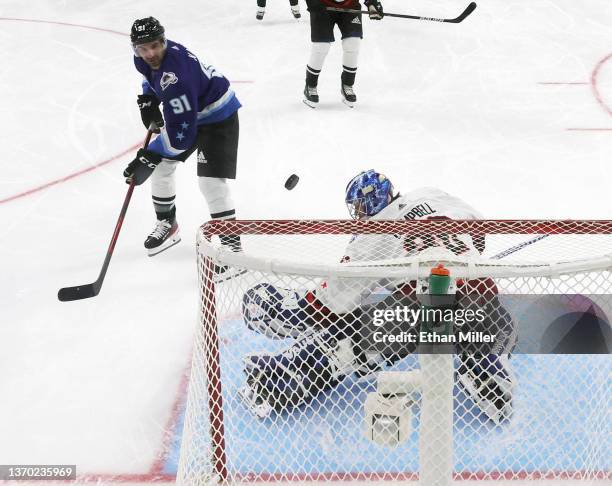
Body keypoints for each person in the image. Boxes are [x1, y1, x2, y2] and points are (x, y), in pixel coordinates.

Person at [239, 170, 516, 424]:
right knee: (496, 323)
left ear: (371, 202)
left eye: (359, 207)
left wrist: (298, 310)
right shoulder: (429, 193)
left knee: (345, 337)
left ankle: (281, 378)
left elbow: (335, 300)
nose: (358, 214)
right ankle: (486, 362)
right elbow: (478, 228)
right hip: (478, 292)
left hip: (417, 308)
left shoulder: (373, 231)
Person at [123, 17, 242, 257]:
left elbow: (181, 139)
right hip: (191, 109)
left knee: (210, 183)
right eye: (142, 48)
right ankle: (168, 224)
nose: (149, 53)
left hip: (218, 116)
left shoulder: (177, 79)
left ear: (163, 42)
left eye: (154, 46)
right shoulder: (145, 57)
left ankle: (232, 248)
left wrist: (151, 154)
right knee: (161, 167)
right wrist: (149, 98)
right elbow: (149, 76)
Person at [303, 0, 384, 108]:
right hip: (322, 4)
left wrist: (372, 2)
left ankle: (347, 84)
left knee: (353, 43)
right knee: (321, 46)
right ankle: (310, 85)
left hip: (350, 4)